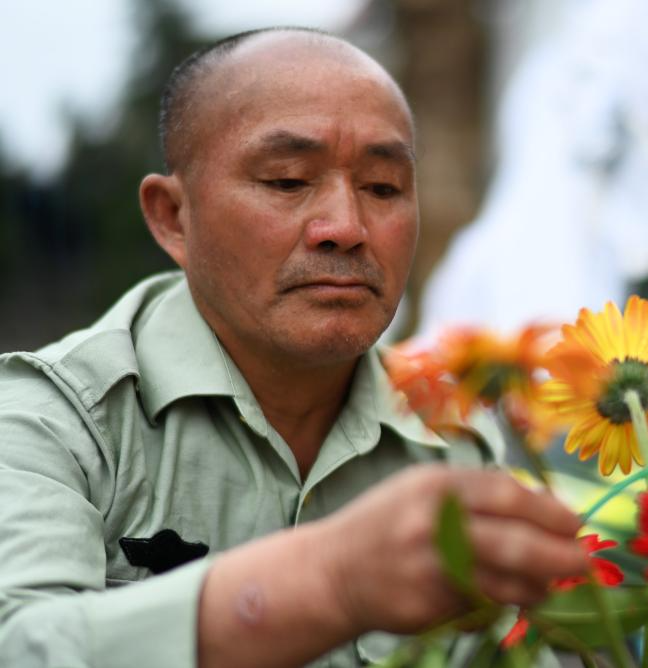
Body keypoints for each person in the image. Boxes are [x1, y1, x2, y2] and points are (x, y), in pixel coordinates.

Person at [0, 28, 588, 667]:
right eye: (287, 181)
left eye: (384, 187)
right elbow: (23, 644)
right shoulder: (52, 423)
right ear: (174, 217)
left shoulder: (451, 440)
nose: (346, 228)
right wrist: (330, 581)